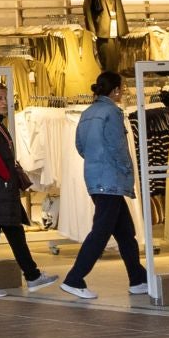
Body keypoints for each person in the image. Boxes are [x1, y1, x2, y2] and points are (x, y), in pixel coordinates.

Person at [61, 72, 150, 301]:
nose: (126, 91)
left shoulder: (88, 113)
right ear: (116, 90)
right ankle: (74, 278)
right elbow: (118, 147)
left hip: (95, 177)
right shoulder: (112, 112)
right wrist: (127, 170)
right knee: (101, 232)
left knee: (125, 232)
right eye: (124, 87)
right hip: (111, 179)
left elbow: (81, 146)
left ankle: (138, 279)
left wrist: (95, 161)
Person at [0, 83, 57, 298]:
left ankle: (32, 275)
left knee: (15, 233)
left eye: (5, 98)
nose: (4, 102)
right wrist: (7, 178)